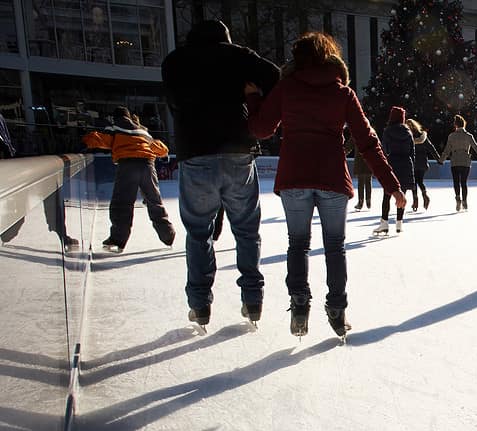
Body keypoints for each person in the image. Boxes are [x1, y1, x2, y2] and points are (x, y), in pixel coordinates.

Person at [247, 32, 403, 339]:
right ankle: (337, 311)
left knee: (298, 244)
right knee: (334, 246)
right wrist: (392, 184)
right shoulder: (342, 93)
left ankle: (299, 304)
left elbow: (261, 129)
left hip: (294, 177)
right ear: (331, 57)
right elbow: (367, 142)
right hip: (332, 178)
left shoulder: (286, 88)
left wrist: (253, 97)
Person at [162, 19, 280, 329]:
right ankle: (252, 300)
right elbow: (275, 77)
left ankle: (200, 306)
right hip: (238, 152)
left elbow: (173, 101)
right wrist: (251, 97)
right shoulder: (239, 56)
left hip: (196, 153)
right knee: (246, 230)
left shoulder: (175, 61)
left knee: (199, 233)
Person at [82, 107, 175, 252]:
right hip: (148, 166)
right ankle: (168, 235)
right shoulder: (142, 130)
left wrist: (85, 138)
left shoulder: (116, 127)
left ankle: (118, 240)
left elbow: (99, 140)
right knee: (154, 201)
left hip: (128, 166)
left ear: (115, 117)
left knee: (122, 203)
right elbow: (161, 149)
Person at [373, 107, 414, 236]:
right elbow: (412, 152)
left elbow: (384, 150)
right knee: (402, 194)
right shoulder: (409, 132)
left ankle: (384, 223)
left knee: (387, 194)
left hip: (392, 164)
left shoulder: (387, 131)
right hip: (406, 164)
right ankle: (399, 224)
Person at [438, 114, 477, 211]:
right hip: (465, 161)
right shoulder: (469, 136)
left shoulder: (452, 136)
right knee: (464, 182)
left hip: (455, 162)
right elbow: (476, 147)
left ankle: (458, 198)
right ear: (464, 124)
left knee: (456, 182)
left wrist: (441, 160)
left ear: (456, 125)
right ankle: (464, 200)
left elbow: (447, 150)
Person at [407, 118, 440, 212]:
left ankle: (415, 200)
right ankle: (425, 195)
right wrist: (438, 158)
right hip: (422, 163)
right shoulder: (423, 136)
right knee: (420, 181)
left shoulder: (408, 137)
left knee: (413, 182)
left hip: (412, 163)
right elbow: (431, 148)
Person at [351, 146, 373, 210]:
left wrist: (343, 153)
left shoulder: (356, 136)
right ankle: (368, 200)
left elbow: (349, 146)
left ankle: (361, 202)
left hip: (360, 161)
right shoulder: (372, 135)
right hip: (368, 160)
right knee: (368, 181)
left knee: (361, 183)